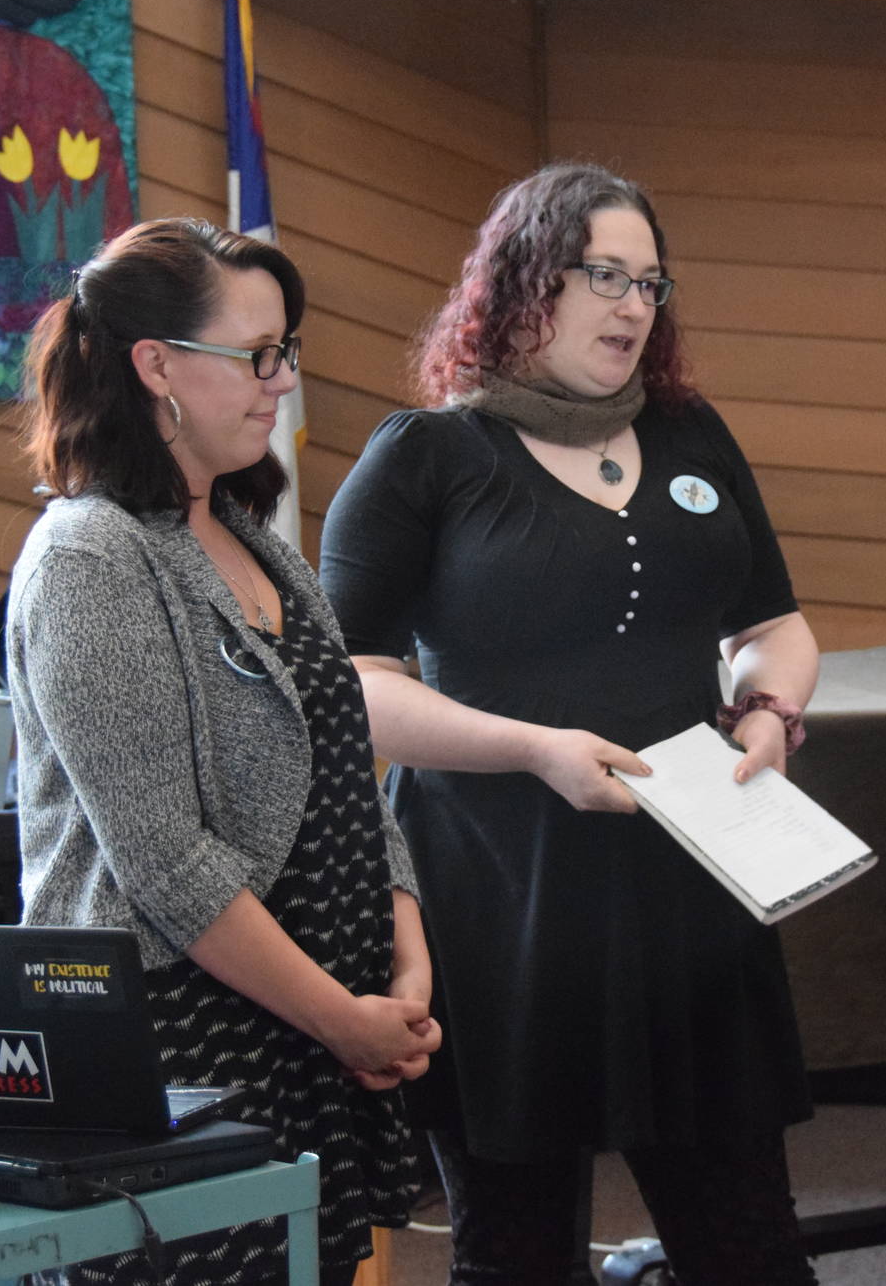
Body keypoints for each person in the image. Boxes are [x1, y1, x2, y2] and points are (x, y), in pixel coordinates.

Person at [320, 163, 822, 1285]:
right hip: (503, 893)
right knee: (516, 1255)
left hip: (691, 877)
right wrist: (531, 750)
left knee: (749, 1248)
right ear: (523, 284)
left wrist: (770, 710)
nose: (635, 306)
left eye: (650, 282)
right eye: (605, 276)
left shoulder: (690, 433)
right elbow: (348, 681)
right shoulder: (426, 456)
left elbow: (774, 624)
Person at [9, 217, 440, 1286]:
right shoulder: (89, 555)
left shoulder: (252, 538)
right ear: (154, 365)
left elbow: (343, 773)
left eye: (285, 351)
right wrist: (343, 1017)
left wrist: (405, 956)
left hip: (307, 1025)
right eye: (256, 355)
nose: (281, 381)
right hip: (183, 1041)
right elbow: (163, 860)